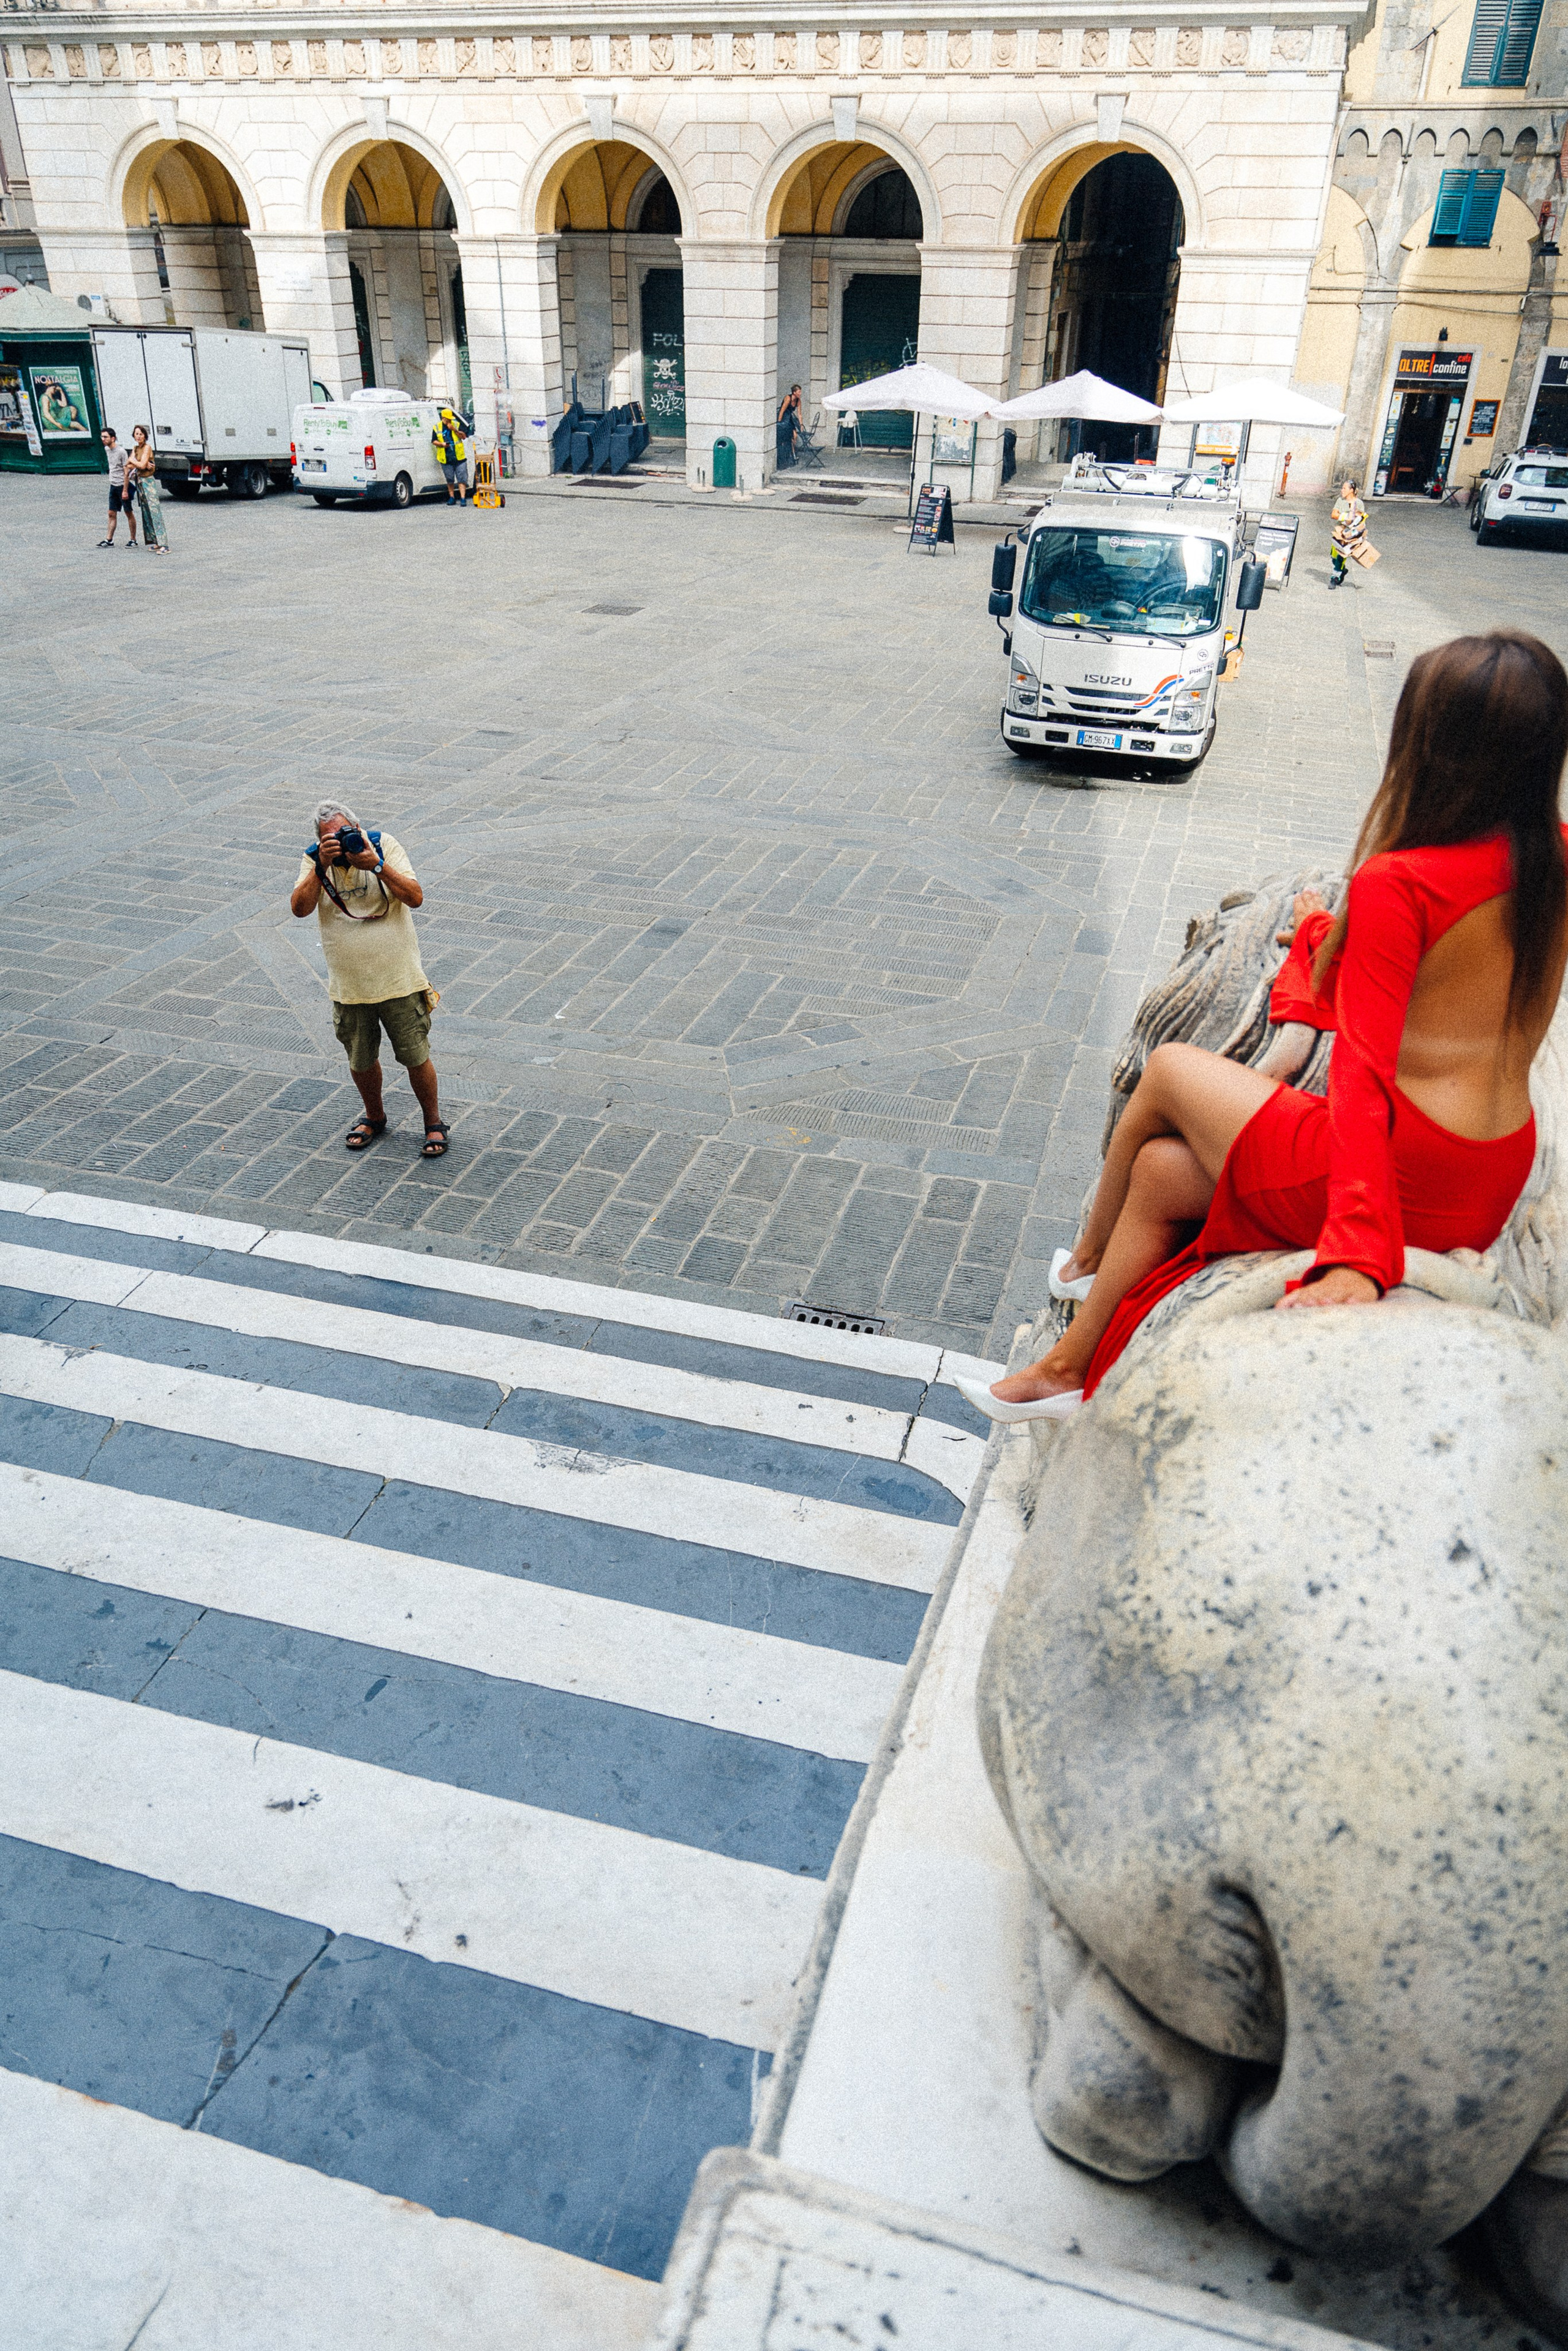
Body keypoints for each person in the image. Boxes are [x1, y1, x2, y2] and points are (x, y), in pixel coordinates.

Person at [959, 630, 1568, 1422]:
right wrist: (1328, 933)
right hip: (1492, 1174)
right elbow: (1445, 991)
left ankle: (1081, 1264)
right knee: (1163, 1173)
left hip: (1401, 1169)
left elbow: (1361, 1074)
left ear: (1432, 744)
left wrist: (1357, 1253)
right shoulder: (1554, 858)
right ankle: (1068, 1369)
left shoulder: (1402, 881)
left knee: (1169, 1068)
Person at [289, 802, 450, 1158]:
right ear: (319, 841)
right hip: (350, 987)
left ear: (358, 828)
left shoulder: (383, 845)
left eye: (345, 834)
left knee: (416, 1055)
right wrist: (321, 866)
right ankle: (375, 1117)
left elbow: (415, 897)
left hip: (399, 981)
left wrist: (376, 865)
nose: (341, 843)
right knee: (360, 1059)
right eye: (330, 839)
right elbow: (299, 909)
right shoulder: (314, 860)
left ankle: (434, 1122)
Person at [126, 425, 169, 554]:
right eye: (136, 434)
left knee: (154, 511)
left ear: (145, 436)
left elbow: (140, 464)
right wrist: (139, 464)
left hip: (148, 482)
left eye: (141, 434)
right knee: (146, 512)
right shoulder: (135, 448)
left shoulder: (147, 448)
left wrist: (137, 462)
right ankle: (156, 541)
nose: (139, 436)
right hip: (140, 482)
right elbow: (129, 465)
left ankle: (164, 544)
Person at [97, 427, 137, 548]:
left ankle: (133, 540)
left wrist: (125, 490)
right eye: (102, 437)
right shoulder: (107, 450)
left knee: (128, 512)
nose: (103, 439)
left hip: (122, 485)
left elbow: (126, 472)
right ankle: (109, 540)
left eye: (106, 437)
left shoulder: (121, 452)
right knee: (111, 513)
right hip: (113, 485)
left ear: (113, 438)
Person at [1329, 478, 1366, 589]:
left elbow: (1361, 519)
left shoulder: (1359, 503)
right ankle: (1343, 570)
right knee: (1334, 557)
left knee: (1341, 557)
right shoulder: (1340, 501)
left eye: (1344, 488)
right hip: (1339, 533)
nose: (1342, 490)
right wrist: (1346, 517)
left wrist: (1351, 520)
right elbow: (1334, 514)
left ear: (1351, 490)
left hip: (1351, 535)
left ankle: (1335, 578)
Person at [432, 404, 470, 505]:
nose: (449, 421)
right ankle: (452, 497)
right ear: (443, 418)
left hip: (459, 457)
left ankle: (463, 498)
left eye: (450, 419)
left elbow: (464, 437)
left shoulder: (456, 424)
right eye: (447, 419)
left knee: (462, 479)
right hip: (446, 458)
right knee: (450, 479)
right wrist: (442, 444)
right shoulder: (437, 427)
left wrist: (454, 430)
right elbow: (434, 441)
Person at [776, 384, 802, 470]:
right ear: (794, 392)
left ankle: (793, 454)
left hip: (790, 418)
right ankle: (789, 455)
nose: (800, 394)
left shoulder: (798, 401)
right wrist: (779, 422)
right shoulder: (788, 398)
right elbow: (782, 410)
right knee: (786, 437)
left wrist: (801, 424)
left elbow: (799, 414)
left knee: (795, 436)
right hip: (784, 417)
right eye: (799, 392)